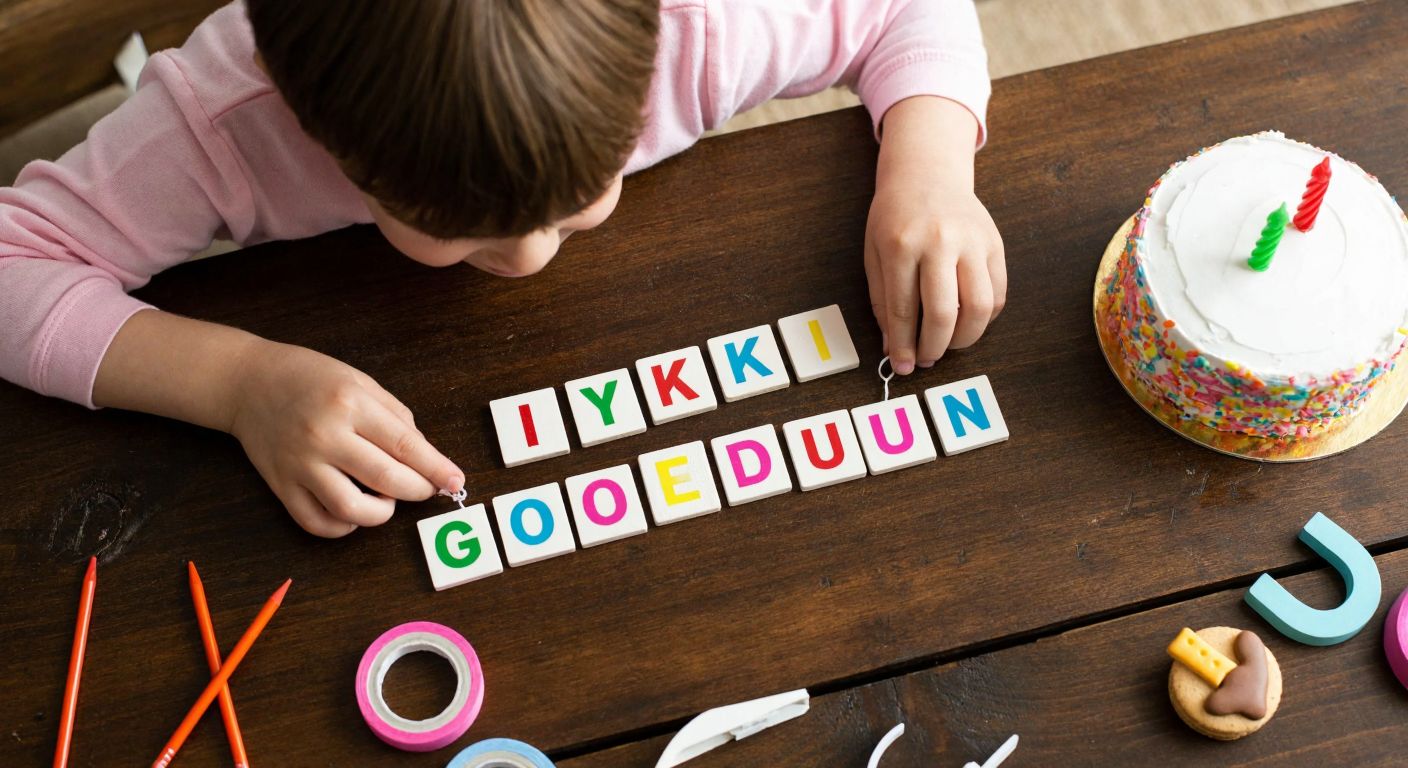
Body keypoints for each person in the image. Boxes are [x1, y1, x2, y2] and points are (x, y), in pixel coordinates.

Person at [0, 0, 1003, 537]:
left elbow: (904, 9)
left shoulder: (706, 24)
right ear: (310, 127)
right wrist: (236, 383)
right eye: (457, 230)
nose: (525, 260)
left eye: (581, 198)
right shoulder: (226, 122)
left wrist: (929, 173)